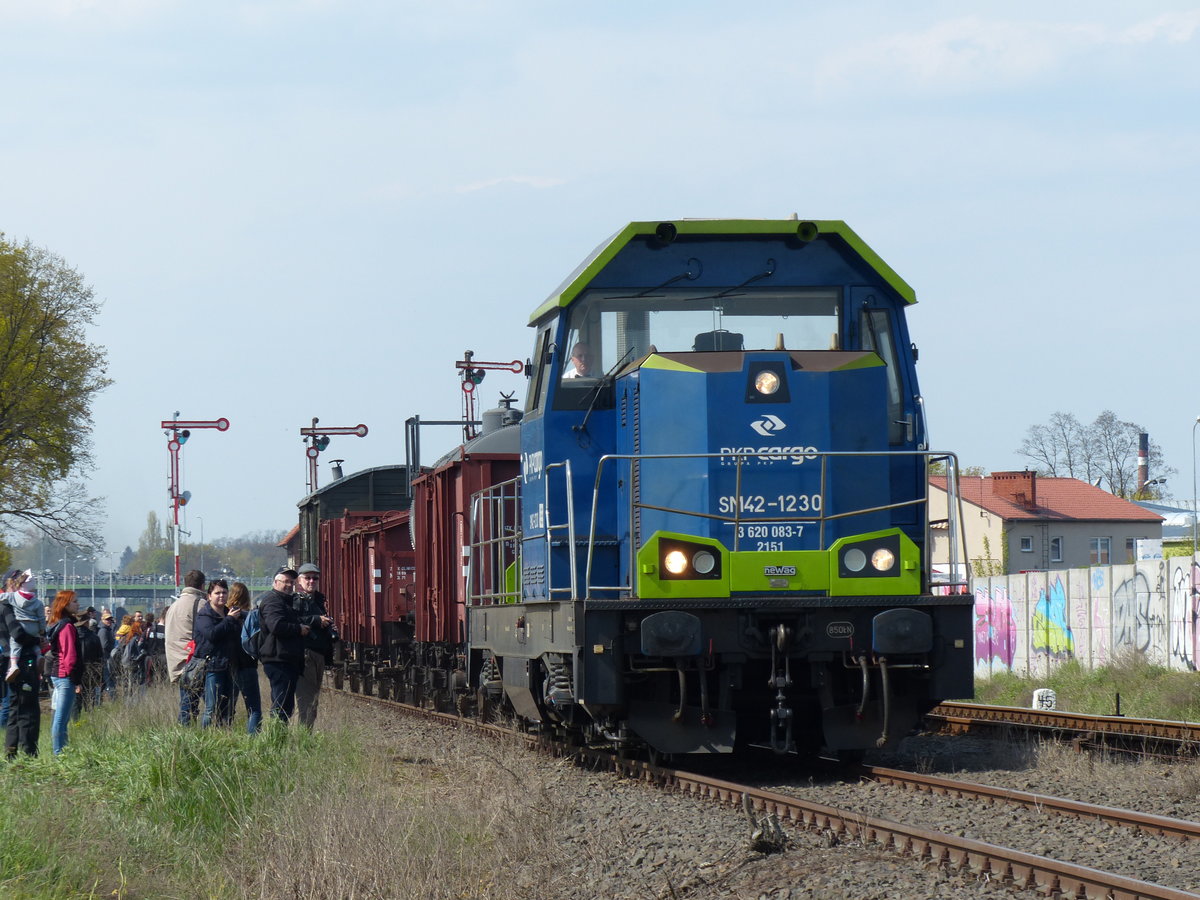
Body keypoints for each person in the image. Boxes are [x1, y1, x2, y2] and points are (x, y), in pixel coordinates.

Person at [256, 567, 310, 724]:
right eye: (285, 581)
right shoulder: (273, 601)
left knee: (286, 705)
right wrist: (298, 628)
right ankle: (275, 740)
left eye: (291, 582)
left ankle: (279, 739)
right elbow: (276, 626)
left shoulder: (284, 601)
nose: (288, 585)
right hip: (278, 659)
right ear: (275, 582)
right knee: (281, 705)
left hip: (285, 658)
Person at [193, 580, 244, 727]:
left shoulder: (230, 612)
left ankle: (224, 736)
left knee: (228, 708)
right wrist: (229, 620)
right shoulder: (204, 615)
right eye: (217, 593)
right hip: (212, 667)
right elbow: (212, 634)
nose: (221, 596)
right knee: (211, 708)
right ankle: (206, 737)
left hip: (231, 666)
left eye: (224, 592)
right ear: (209, 596)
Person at [2, 571, 42, 755]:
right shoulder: (7, 607)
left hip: (12, 659)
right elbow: (17, 634)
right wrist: (37, 641)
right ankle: (28, 750)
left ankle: (11, 749)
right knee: (28, 706)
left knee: (14, 705)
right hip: (21, 659)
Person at [292, 563, 334, 728]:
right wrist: (316, 620)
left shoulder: (319, 599)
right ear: (299, 581)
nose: (311, 581)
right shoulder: (296, 600)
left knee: (313, 701)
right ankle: (302, 739)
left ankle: (306, 737)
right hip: (305, 654)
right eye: (307, 578)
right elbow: (292, 622)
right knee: (305, 701)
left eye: (315, 578)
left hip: (319, 654)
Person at [163, 570, 207, 725]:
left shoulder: (173, 606)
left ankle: (183, 738)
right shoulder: (200, 604)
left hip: (178, 662)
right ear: (203, 585)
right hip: (195, 662)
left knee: (186, 705)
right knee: (211, 706)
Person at [46, 590, 83, 755]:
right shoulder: (67, 626)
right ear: (66, 605)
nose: (78, 604)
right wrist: (74, 677)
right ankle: (58, 752)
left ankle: (62, 749)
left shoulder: (58, 623)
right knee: (61, 718)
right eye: (74, 601)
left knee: (63, 717)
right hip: (64, 675)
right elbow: (69, 655)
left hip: (60, 674)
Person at [227, 581, 262, 734]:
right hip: (248, 664)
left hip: (228, 665)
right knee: (254, 709)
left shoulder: (224, 615)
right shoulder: (252, 617)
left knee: (227, 707)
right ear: (247, 597)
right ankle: (254, 740)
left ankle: (226, 736)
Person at [5, 571, 44, 685]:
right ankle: (39, 656)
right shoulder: (37, 602)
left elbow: (2, 597)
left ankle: (13, 666)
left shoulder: (13, 597)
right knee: (35, 644)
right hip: (34, 626)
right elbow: (41, 618)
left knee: (15, 644)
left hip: (21, 624)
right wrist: (42, 630)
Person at [97, 611, 117, 701]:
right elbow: (104, 645)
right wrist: (112, 649)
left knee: (105, 680)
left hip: (107, 657)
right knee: (108, 679)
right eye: (107, 619)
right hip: (105, 658)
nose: (109, 621)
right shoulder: (103, 630)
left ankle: (98, 699)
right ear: (102, 620)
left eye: (110, 619)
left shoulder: (107, 629)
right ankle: (113, 699)